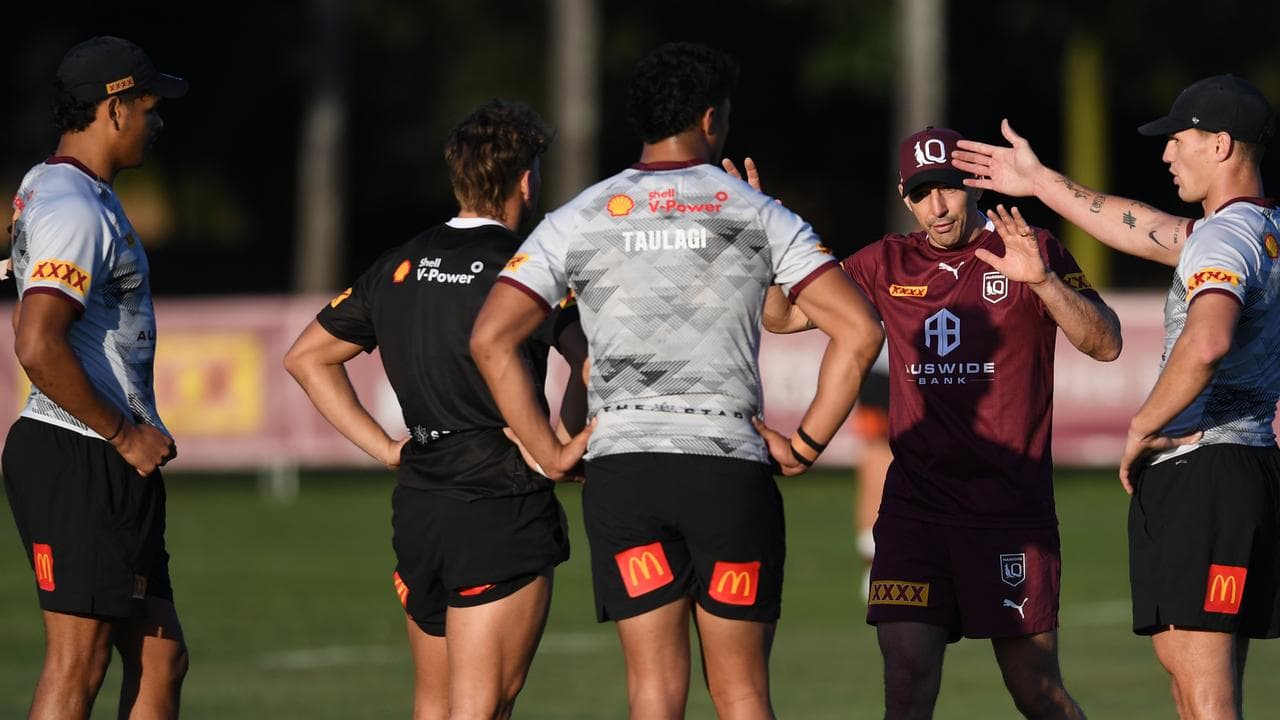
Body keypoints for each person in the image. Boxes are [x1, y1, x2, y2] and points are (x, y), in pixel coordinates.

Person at [470, 42, 883, 719]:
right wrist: (806, 445)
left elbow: (490, 338)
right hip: (725, 472)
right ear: (712, 119)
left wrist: (547, 450)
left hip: (624, 473)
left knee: (655, 695)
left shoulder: (579, 215)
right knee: (742, 694)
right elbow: (858, 330)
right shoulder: (754, 210)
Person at [751, 125, 1122, 718]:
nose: (939, 207)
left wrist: (1044, 282)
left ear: (972, 185)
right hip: (914, 511)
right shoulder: (884, 262)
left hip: (1009, 511)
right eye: (924, 193)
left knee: (1035, 689)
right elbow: (785, 317)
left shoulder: (1030, 246)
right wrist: (761, 231)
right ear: (906, 196)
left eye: (948, 188)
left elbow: (1106, 344)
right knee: (907, 673)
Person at [953, 75, 1280, 719]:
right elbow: (1142, 228)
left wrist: (1144, 423)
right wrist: (1043, 182)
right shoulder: (1255, 228)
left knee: (1205, 693)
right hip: (1244, 469)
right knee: (1198, 686)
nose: (1165, 154)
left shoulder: (1223, 239)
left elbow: (1208, 338)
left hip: (1202, 473)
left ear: (1219, 145)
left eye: (1177, 140)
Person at [283, 99, 590, 720]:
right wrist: (565, 443)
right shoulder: (531, 268)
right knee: (483, 708)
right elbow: (591, 363)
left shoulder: (400, 262)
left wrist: (386, 448)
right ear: (526, 180)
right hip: (498, 507)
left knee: (435, 706)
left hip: (420, 504)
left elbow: (307, 357)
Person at [1, 36, 188, 719]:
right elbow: (37, 343)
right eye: (147, 104)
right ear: (113, 109)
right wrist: (123, 434)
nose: (157, 119)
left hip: (103, 456)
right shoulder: (73, 208)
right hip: (81, 450)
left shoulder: (57, 190)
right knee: (78, 662)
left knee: (162, 657)